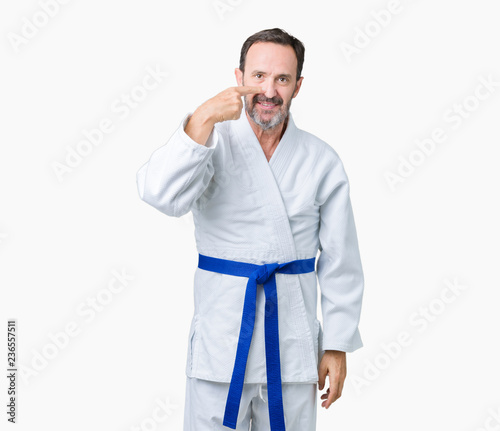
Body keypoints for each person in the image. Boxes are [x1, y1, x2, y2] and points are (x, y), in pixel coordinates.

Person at [136, 28, 364, 431]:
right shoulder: (210, 141)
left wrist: (337, 343)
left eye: (282, 79)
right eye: (258, 76)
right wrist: (202, 117)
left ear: (298, 86)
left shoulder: (321, 159)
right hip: (221, 339)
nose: (269, 91)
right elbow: (159, 194)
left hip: (291, 342)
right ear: (238, 77)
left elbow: (340, 258)